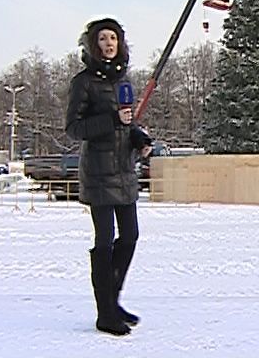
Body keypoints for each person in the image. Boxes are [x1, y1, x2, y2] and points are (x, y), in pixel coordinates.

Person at [65, 17, 152, 337]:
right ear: (93, 44)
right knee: (104, 240)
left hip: (124, 171)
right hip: (99, 173)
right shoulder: (83, 82)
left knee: (129, 237)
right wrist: (111, 118)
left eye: (113, 38)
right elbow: (75, 128)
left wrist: (140, 140)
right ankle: (105, 313)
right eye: (102, 39)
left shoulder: (124, 81)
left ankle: (112, 301)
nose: (108, 43)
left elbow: (127, 125)